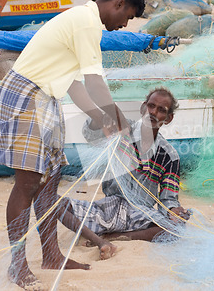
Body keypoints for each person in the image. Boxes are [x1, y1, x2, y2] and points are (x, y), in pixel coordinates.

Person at [0, 0, 145, 289]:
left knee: (51, 179)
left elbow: (75, 85)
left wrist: (100, 117)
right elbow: (94, 83)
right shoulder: (85, 22)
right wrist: (120, 121)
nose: (125, 25)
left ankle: (51, 255)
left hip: (47, 97)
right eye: (128, 16)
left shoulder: (83, 23)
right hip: (27, 94)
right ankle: (17, 265)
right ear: (118, 4)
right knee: (29, 182)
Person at [60, 87, 190, 242]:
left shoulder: (170, 156)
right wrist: (100, 119)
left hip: (141, 215)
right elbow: (90, 134)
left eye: (161, 110)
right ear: (143, 108)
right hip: (110, 207)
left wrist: (174, 211)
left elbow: (168, 199)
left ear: (168, 119)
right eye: (151, 106)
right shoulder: (122, 128)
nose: (154, 113)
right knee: (56, 203)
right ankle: (106, 233)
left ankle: (115, 237)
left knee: (175, 230)